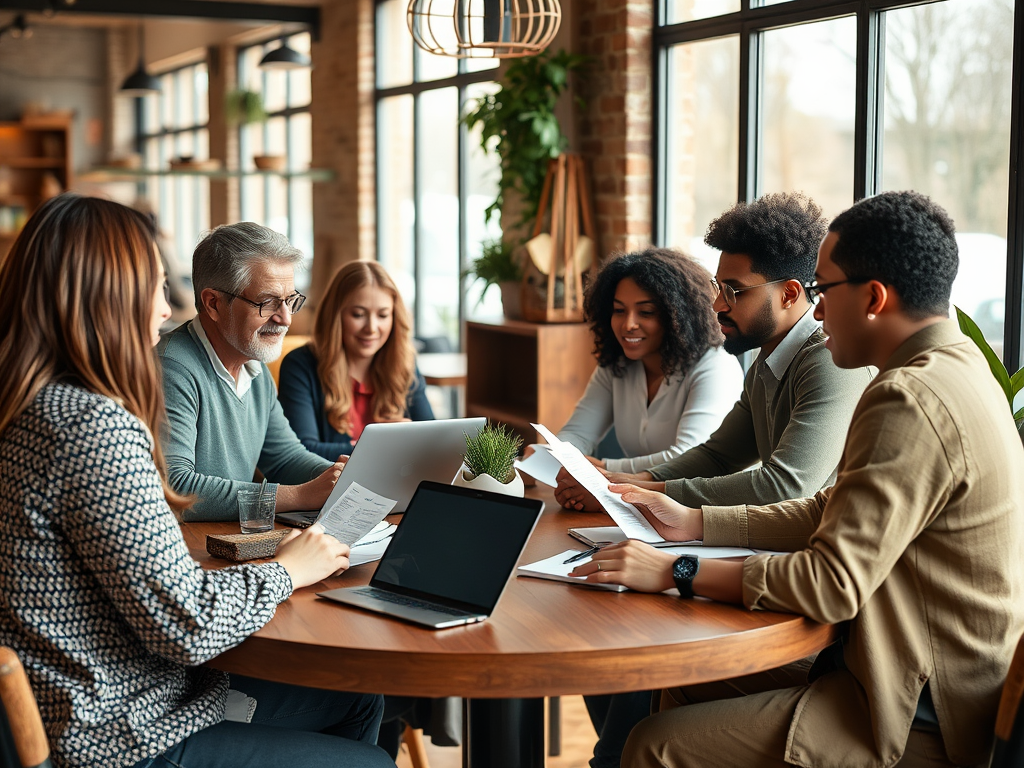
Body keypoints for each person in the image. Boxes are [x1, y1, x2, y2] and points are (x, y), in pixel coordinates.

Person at [573, 191, 1024, 768]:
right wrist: (694, 521)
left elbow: (830, 583)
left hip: (912, 707)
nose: (814, 311)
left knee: (653, 745)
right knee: (675, 690)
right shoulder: (957, 366)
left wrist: (674, 568)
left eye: (824, 290)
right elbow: (825, 509)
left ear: (873, 298)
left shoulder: (907, 399)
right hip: (906, 670)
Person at [0, 193, 391, 768]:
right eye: (158, 288)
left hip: (96, 696)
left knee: (356, 698)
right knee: (374, 762)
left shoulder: (36, 405)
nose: (165, 310)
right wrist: (288, 569)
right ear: (110, 299)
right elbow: (187, 625)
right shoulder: (92, 425)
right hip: (118, 732)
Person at [555, 192, 873, 511]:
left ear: (789, 294)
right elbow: (717, 457)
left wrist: (629, 493)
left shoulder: (830, 363)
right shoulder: (767, 364)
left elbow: (785, 486)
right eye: (719, 288)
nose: (718, 305)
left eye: (734, 291)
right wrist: (617, 482)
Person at [158, 222, 343, 522]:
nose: (284, 318)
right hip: (189, 551)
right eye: (267, 302)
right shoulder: (172, 367)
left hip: (232, 542)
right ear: (213, 303)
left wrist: (339, 477)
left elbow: (284, 458)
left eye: (290, 300)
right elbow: (175, 488)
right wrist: (301, 495)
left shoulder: (253, 365)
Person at [551, 247, 742, 472]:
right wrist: (555, 457)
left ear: (677, 317)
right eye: (619, 310)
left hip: (705, 503)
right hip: (640, 499)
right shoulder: (617, 364)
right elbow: (577, 433)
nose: (628, 324)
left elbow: (691, 458)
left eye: (646, 312)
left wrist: (604, 470)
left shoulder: (716, 367)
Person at [278, 260, 433, 461]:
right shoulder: (300, 365)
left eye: (383, 315)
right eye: (358, 314)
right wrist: (381, 443)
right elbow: (301, 452)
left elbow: (431, 439)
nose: (371, 327)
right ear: (335, 316)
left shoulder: (404, 363)